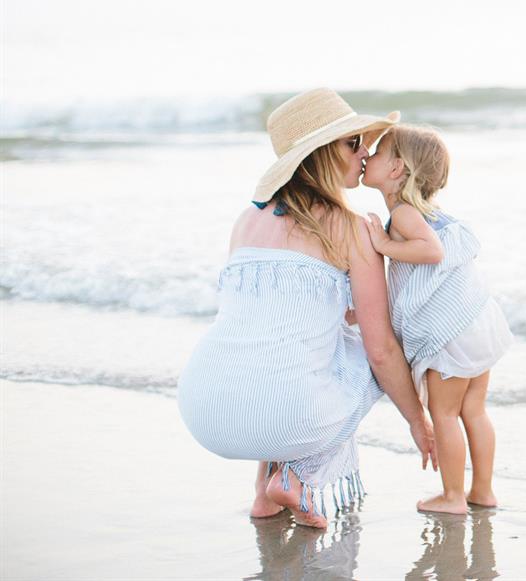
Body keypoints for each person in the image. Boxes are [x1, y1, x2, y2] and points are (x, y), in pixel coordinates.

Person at [178, 88, 435, 530]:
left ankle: (264, 492)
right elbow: (382, 351)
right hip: (283, 411)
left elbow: (269, 325)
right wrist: (418, 419)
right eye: (351, 143)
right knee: (370, 349)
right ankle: (298, 473)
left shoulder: (246, 220)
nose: (365, 152)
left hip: (202, 406)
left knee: (280, 354)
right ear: (320, 154)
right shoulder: (351, 227)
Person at [360, 124, 513, 514]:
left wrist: (383, 244)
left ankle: (453, 496)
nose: (367, 157)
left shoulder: (405, 215)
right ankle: (482, 491)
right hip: (478, 320)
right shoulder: (432, 214)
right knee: (474, 410)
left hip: (453, 332)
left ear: (397, 169)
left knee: (443, 413)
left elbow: (431, 254)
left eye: (377, 152)